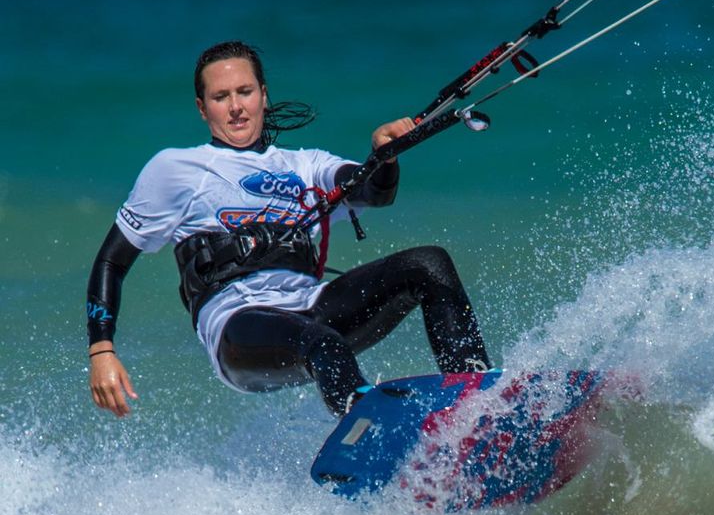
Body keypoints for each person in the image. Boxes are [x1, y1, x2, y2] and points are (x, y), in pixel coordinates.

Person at [87, 40, 491, 419]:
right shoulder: (175, 169)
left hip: (310, 304)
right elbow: (112, 260)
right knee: (322, 341)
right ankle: (369, 426)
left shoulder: (307, 166)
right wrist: (102, 350)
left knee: (428, 263)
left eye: (244, 92)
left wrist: (385, 156)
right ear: (201, 108)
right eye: (220, 97)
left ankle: (476, 402)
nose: (236, 108)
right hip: (238, 325)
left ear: (263, 95)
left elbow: (373, 190)